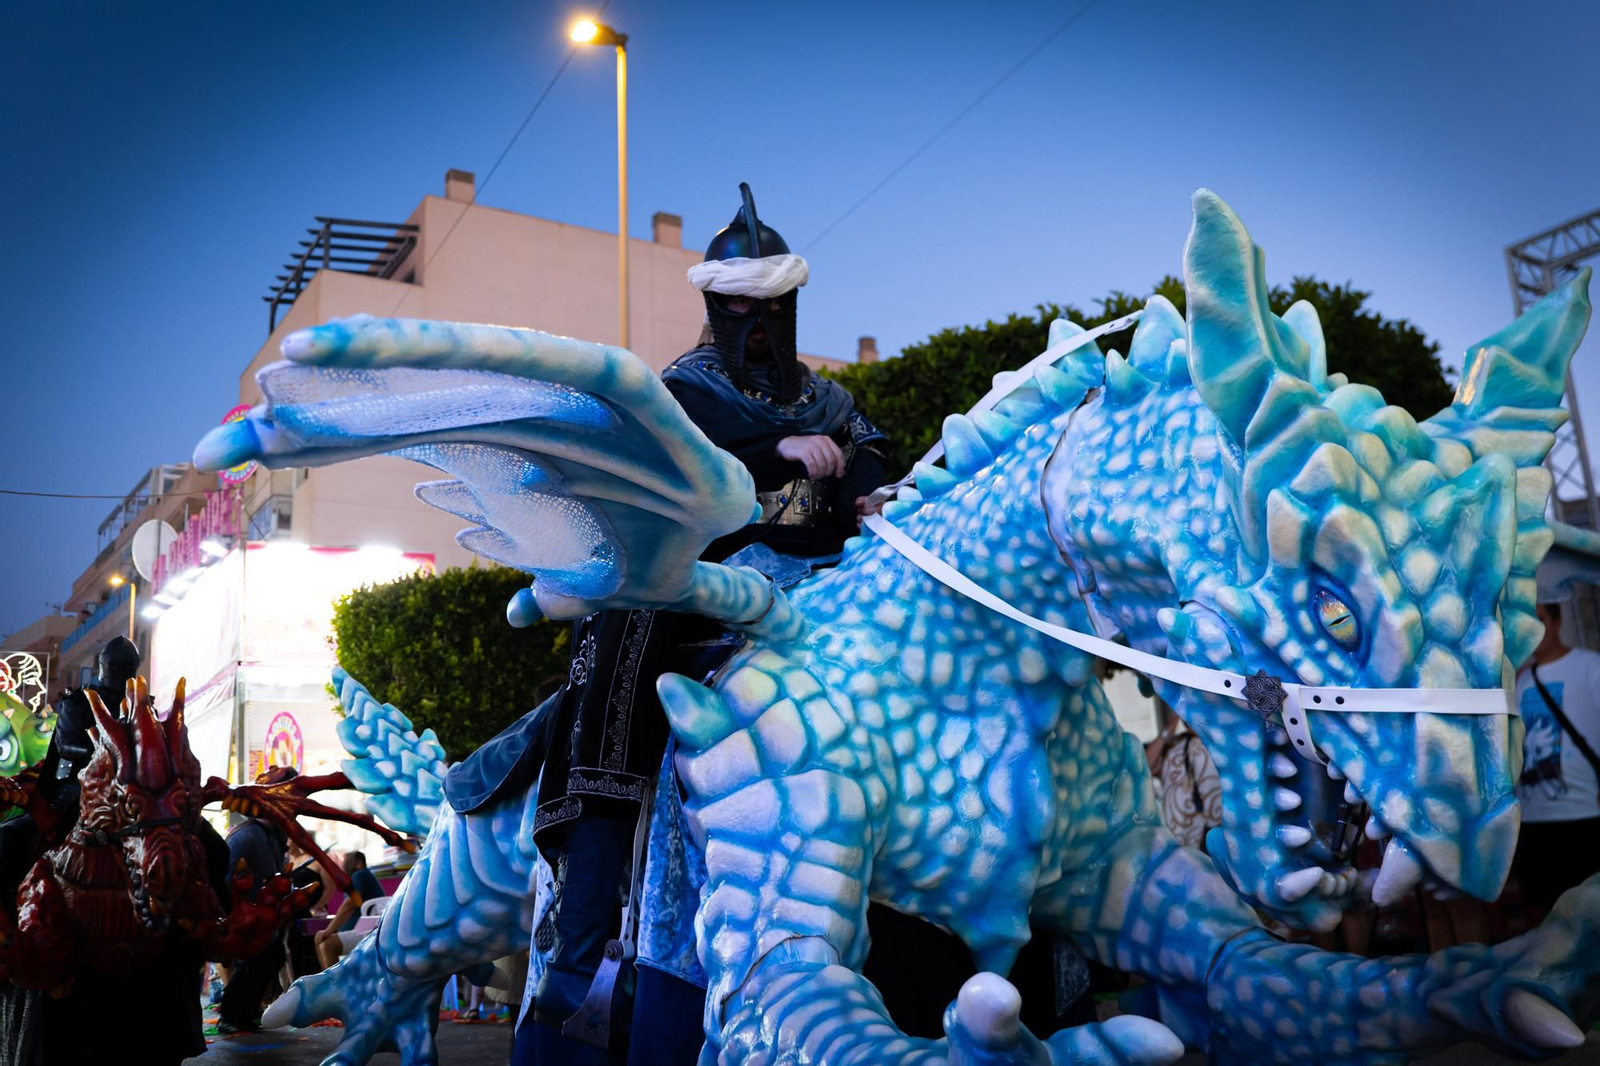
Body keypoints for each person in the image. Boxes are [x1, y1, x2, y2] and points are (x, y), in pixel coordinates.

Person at [482, 184, 889, 1066]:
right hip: (700, 587)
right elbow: (668, 464)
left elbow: (875, 447)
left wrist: (868, 481)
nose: (748, 321)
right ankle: (585, 937)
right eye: (732, 305)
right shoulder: (680, 390)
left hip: (817, 584)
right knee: (623, 671)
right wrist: (769, 453)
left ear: (786, 307)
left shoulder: (832, 399)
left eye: (764, 307)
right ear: (714, 304)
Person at [0, 638, 231, 1066]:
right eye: (117, 664)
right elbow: (65, 747)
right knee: (11, 840)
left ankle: (217, 922)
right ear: (103, 666)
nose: (123, 670)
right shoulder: (77, 704)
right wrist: (103, 754)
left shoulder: (147, 707)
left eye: (129, 664)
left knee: (214, 847)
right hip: (84, 794)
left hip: (146, 802)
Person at [1510, 597, 1600, 924]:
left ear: (1557, 620)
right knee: (1543, 919)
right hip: (1534, 819)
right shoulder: (1520, 681)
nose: (1531, 632)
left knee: (1590, 917)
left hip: (1585, 813)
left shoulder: (1590, 666)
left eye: (1539, 621)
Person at [217, 801, 292, 1033]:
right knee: (252, 962)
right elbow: (227, 878)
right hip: (248, 912)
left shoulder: (269, 835)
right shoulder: (248, 836)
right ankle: (231, 1014)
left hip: (264, 912)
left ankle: (246, 1012)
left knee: (271, 956)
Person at [313, 850, 387, 969]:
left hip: (367, 932)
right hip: (364, 931)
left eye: (345, 863)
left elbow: (348, 906)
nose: (342, 867)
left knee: (327, 945)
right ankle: (330, 983)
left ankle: (336, 986)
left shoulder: (360, 875)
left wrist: (328, 930)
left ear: (358, 863)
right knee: (321, 942)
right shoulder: (362, 877)